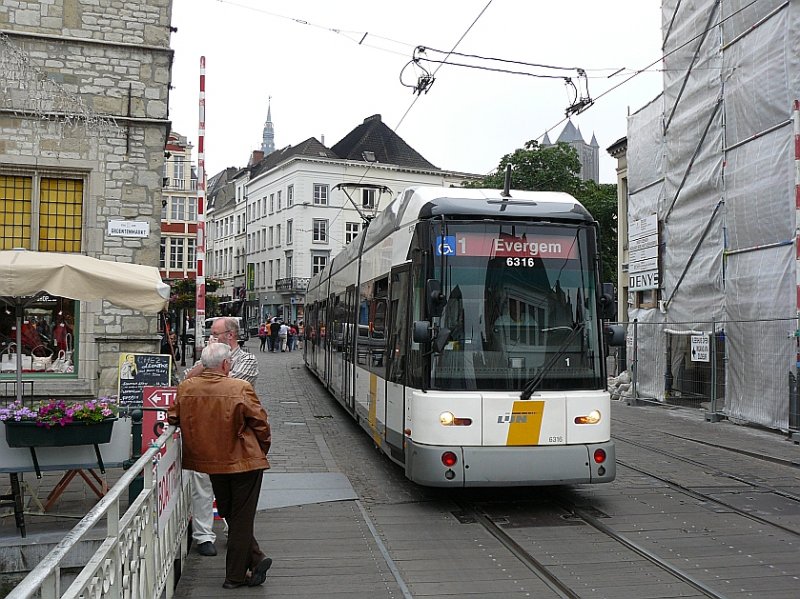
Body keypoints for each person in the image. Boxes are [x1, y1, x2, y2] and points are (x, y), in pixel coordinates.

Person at [168, 343, 272, 589]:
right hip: (243, 461)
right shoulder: (240, 387)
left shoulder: (186, 388)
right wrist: (259, 451)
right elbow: (261, 425)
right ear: (226, 364)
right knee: (241, 518)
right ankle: (235, 577)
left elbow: (173, 417)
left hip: (210, 462)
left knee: (230, 512)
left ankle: (256, 560)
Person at [182, 317, 259, 559]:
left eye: (215, 333)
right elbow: (186, 380)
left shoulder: (247, 360)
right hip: (204, 431)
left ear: (230, 335)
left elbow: (232, 384)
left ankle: (233, 530)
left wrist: (207, 372)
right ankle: (203, 535)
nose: (210, 337)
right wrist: (208, 362)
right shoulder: (207, 357)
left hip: (234, 434)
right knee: (202, 483)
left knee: (234, 486)